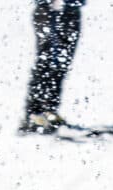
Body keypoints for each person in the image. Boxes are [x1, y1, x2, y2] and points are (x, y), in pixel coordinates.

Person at [23, 0, 87, 133]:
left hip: (70, 10)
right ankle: (34, 112)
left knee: (62, 62)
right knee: (46, 60)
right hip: (48, 10)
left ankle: (49, 110)